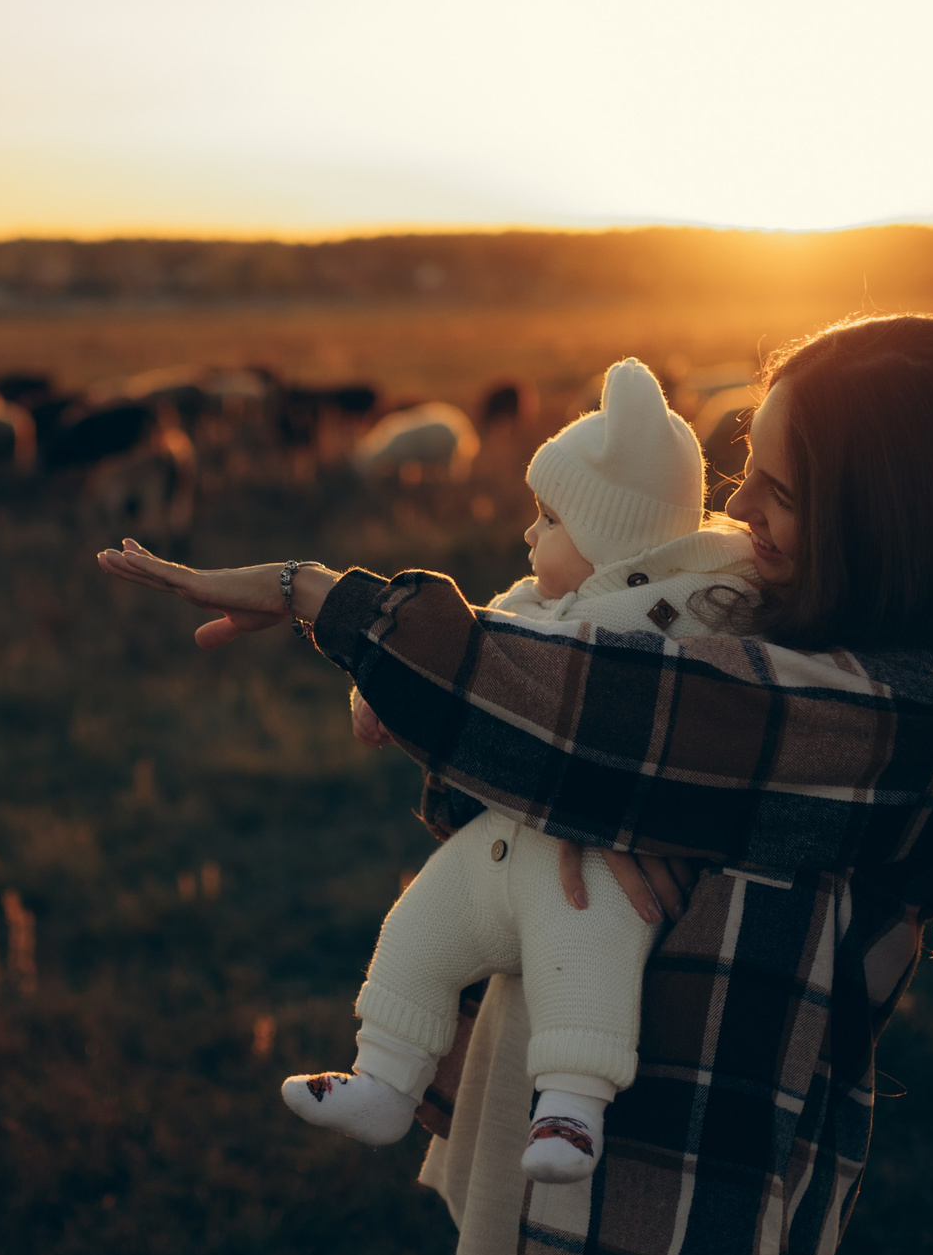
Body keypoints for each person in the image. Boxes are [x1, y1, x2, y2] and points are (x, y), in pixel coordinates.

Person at [98, 313, 933, 1255]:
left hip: (669, 1224)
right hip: (514, 1163)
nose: (741, 516)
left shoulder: (891, 718)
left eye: (785, 493)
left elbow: (580, 716)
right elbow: (539, 743)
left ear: (898, 521)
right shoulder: (750, 631)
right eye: (746, 477)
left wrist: (316, 595)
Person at [280, 357, 761, 1186]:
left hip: (589, 865)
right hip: (502, 852)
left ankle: (572, 1108)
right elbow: (469, 651)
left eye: (551, 520)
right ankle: (385, 1076)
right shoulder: (532, 605)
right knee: (419, 923)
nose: (528, 536)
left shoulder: (678, 615)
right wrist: (387, 689)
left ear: (614, 536)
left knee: (590, 947)